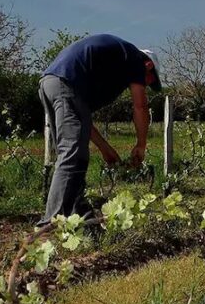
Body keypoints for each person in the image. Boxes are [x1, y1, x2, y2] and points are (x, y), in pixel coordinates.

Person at [39, 34, 162, 224]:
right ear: (149, 66)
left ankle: (79, 215)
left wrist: (105, 149)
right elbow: (140, 106)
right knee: (72, 156)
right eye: (149, 81)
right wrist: (141, 144)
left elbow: (84, 122)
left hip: (51, 83)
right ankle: (49, 225)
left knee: (75, 155)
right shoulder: (137, 59)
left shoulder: (107, 70)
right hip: (64, 82)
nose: (146, 85)